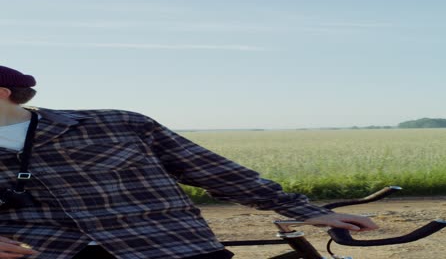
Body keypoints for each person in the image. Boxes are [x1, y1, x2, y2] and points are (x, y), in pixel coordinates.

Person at [0, 65, 377, 259]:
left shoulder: (116, 123)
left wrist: (304, 210)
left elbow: (210, 169)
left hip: (169, 247)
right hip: (44, 251)